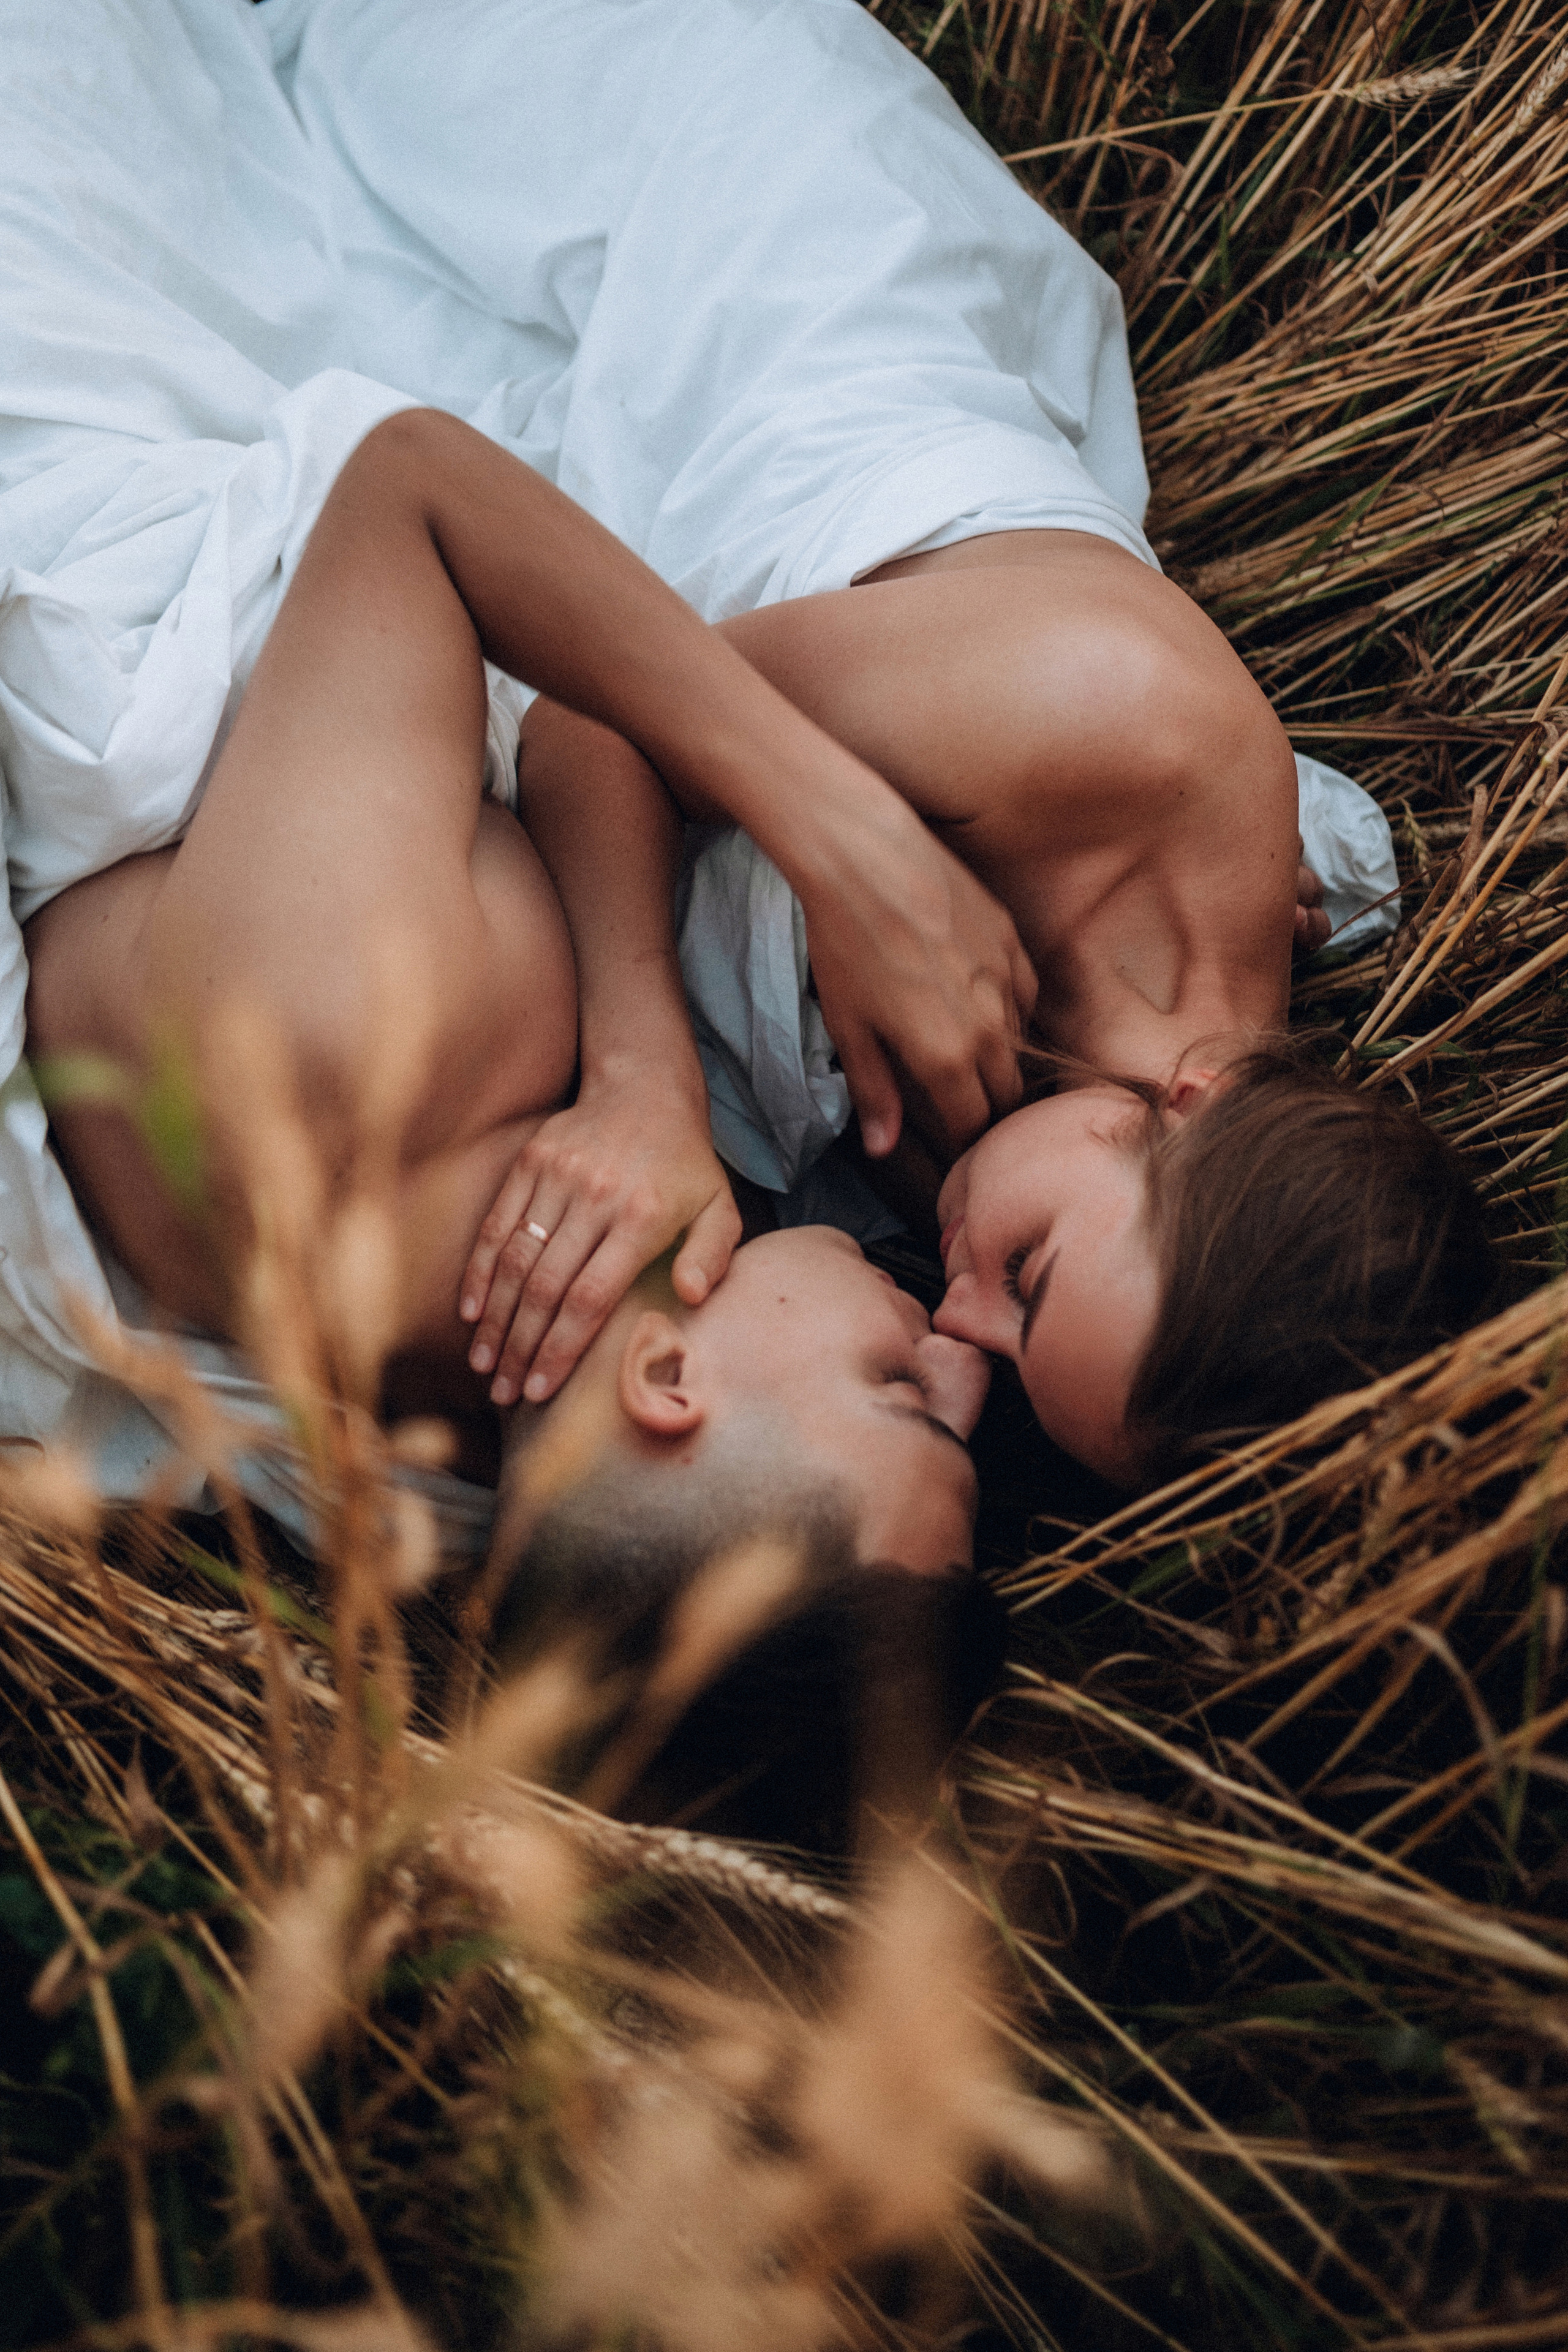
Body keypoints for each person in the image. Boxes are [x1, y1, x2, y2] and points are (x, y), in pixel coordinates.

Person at [20, 406, 992, 1558]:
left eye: (905, 1391)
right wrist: (649, 1083)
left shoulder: (339, 1048)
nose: (964, 1360)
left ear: (666, 1381)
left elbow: (411, 488)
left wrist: (837, 846)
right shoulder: (452, 1436)